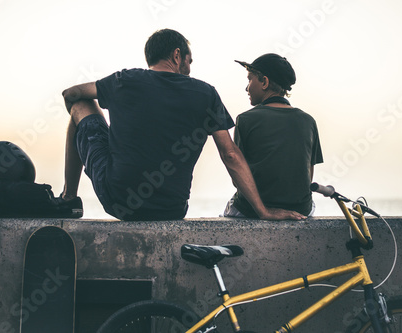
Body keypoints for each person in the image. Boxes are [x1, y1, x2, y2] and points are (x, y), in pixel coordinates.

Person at [59, 29, 305, 221]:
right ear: (177, 55)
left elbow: (71, 93)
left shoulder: (124, 80)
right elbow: (230, 154)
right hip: (172, 208)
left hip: (118, 201)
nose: (190, 67)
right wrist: (263, 211)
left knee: (81, 105)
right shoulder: (206, 93)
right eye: (190, 60)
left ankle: (69, 198)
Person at [224, 53, 323, 218]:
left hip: (253, 210)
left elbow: (238, 181)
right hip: (301, 210)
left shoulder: (246, 119)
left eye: (250, 80)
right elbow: (307, 176)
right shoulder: (308, 121)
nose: (247, 87)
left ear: (264, 82)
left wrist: (265, 208)